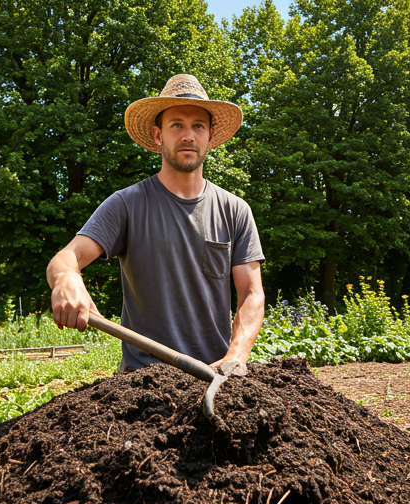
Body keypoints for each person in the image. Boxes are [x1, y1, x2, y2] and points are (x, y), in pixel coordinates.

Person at [47, 74, 265, 371]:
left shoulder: (235, 210)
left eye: (197, 126)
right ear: (158, 135)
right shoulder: (127, 204)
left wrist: (235, 358)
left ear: (210, 136)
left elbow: (252, 293)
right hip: (144, 381)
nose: (188, 135)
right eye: (177, 125)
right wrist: (65, 278)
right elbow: (65, 258)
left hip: (214, 376)